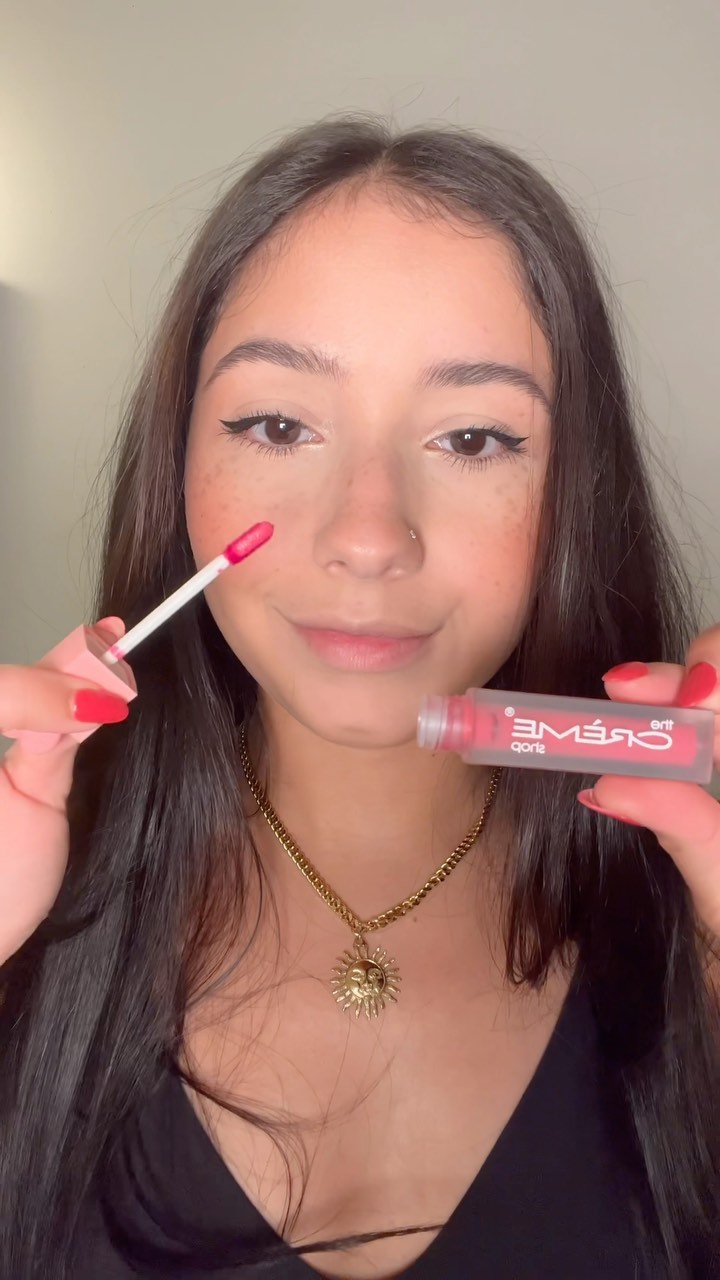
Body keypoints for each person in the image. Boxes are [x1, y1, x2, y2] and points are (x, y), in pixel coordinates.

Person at [0, 115, 718, 1280]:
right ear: (177, 465)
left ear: (575, 494)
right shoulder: (31, 896)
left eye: (473, 437)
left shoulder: (689, 925)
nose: (369, 534)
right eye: (278, 424)